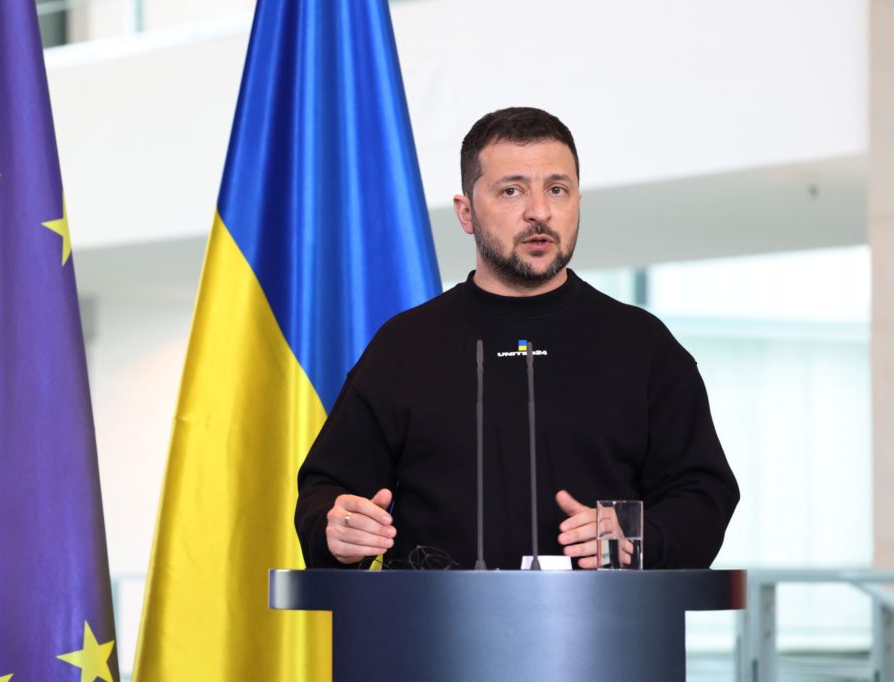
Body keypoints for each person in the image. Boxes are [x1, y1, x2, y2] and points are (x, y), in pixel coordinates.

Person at [295, 107, 739, 570]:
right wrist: (337, 527)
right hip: (432, 615)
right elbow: (327, 489)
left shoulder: (643, 345)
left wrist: (633, 537)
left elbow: (703, 495)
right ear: (466, 213)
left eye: (557, 189)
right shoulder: (404, 346)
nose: (539, 212)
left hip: (606, 614)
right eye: (512, 190)